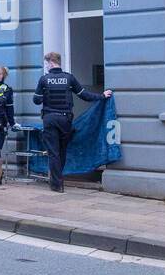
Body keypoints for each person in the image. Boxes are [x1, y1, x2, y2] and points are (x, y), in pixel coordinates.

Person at [32, 51, 112, 194]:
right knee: (62, 151)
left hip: (50, 118)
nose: (46, 66)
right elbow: (85, 95)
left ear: (50, 63)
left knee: (53, 152)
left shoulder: (44, 80)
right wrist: (102, 96)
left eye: (46, 63)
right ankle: (58, 179)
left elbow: (36, 100)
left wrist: (45, 93)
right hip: (65, 119)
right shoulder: (69, 78)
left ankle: (57, 184)